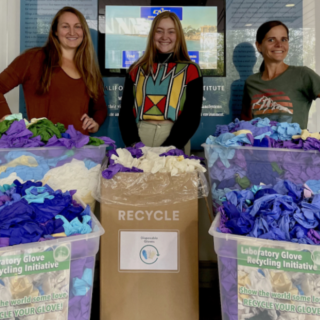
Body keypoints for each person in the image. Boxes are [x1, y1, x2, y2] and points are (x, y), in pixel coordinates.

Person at [0, 6, 107, 134]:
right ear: (55, 31)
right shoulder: (33, 59)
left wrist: (96, 122)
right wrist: (8, 121)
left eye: (78, 26)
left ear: (84, 31)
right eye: (65, 26)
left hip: (80, 149)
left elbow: (100, 108)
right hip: (44, 149)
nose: (72, 32)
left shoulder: (89, 69)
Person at [119, 11, 203, 154]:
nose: (165, 37)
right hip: (140, 136)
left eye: (171, 32)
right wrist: (134, 145)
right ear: (152, 34)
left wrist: (170, 148)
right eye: (159, 31)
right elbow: (126, 113)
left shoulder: (191, 70)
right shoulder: (136, 69)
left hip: (176, 139)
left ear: (179, 36)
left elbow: (192, 116)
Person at [241, 20, 320, 129]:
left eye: (284, 39)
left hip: (293, 146)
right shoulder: (251, 82)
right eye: (271, 40)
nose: (279, 45)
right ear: (258, 46)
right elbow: (245, 120)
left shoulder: (302, 74)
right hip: (261, 146)